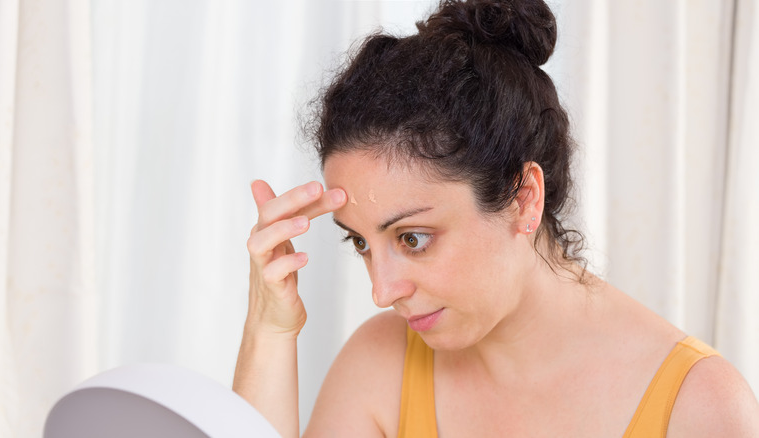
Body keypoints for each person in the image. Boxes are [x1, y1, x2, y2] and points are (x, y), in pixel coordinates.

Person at [232, 0, 759, 436]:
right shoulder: (380, 365)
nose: (382, 292)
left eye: (412, 238)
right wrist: (269, 331)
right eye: (361, 244)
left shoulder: (700, 408)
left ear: (524, 197)